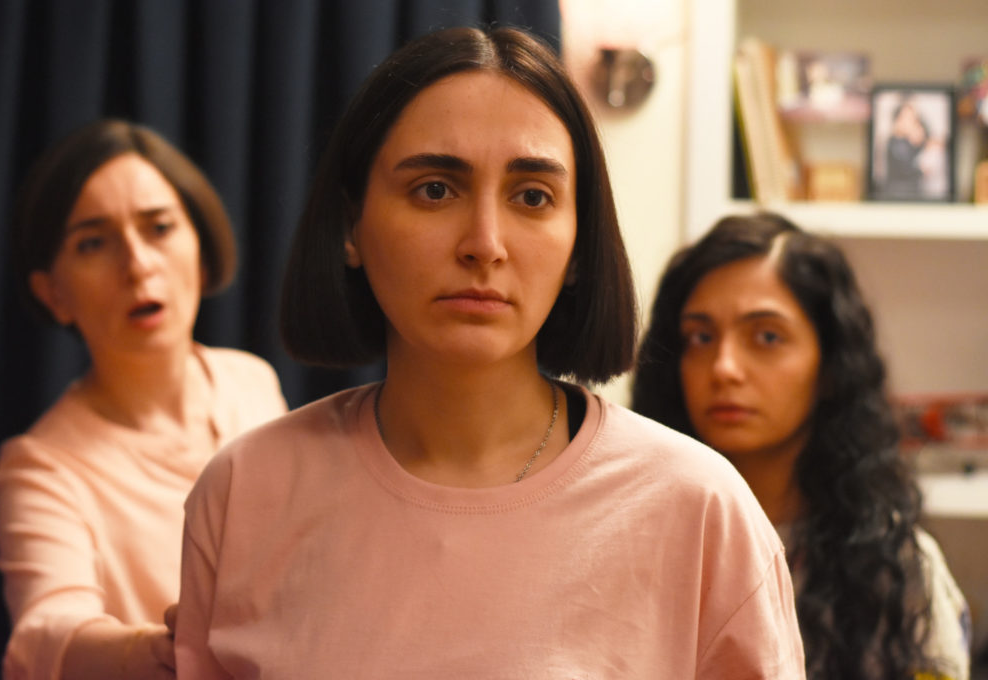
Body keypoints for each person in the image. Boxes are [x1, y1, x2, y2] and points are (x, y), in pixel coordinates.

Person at [174, 26, 805, 678]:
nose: (484, 243)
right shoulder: (244, 492)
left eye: (532, 197)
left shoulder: (697, 508)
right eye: (435, 190)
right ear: (350, 226)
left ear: (579, 245)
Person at [0, 119, 288, 680]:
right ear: (53, 293)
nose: (138, 264)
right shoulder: (41, 467)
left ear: (200, 250)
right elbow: (44, 631)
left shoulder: (251, 381)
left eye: (159, 228)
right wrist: (152, 651)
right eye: (93, 243)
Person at [631, 212, 971, 680]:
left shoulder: (899, 569)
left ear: (830, 366)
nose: (724, 366)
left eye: (767, 337)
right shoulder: (633, 541)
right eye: (701, 337)